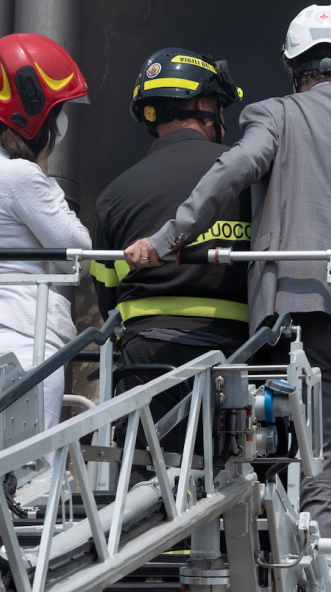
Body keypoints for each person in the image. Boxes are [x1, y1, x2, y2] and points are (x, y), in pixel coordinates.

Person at [123, 5, 331, 555]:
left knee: (322, 471)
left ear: (290, 66)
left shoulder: (273, 115)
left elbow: (232, 171)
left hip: (306, 317)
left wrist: (165, 240)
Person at [0, 33, 92, 431]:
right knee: (33, 465)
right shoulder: (22, 176)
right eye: (58, 110)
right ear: (36, 112)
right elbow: (78, 253)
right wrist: (47, 178)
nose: (61, 123)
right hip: (26, 341)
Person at [92, 49, 250, 424]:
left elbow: (106, 294)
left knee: (145, 458)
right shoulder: (247, 181)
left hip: (144, 359)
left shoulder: (115, 194)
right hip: (239, 358)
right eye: (219, 106)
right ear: (203, 104)